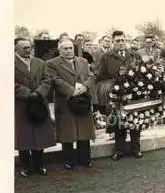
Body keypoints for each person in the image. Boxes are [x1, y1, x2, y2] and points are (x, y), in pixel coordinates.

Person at [46, 38, 96, 169]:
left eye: (70, 48)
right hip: (65, 101)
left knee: (84, 130)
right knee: (67, 132)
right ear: (59, 50)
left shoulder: (83, 61)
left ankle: (85, 159)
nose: (68, 51)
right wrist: (71, 90)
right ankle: (68, 160)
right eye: (65, 49)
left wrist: (84, 87)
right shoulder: (52, 63)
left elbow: (91, 76)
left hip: (82, 100)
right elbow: (54, 80)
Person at [14, 38, 56, 177]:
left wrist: (38, 92)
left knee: (39, 134)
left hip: (38, 102)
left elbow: (47, 80)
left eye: (29, 47)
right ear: (16, 48)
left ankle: (39, 165)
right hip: (21, 104)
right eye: (24, 47)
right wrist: (27, 93)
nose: (28, 49)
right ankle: (26, 167)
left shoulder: (39, 62)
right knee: (24, 136)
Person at [98, 31, 143, 160]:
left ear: (125, 41)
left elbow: (141, 72)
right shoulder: (106, 57)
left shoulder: (134, 55)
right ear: (113, 42)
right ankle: (119, 150)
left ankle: (136, 148)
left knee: (135, 121)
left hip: (134, 93)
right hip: (116, 93)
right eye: (117, 41)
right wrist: (114, 87)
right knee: (118, 122)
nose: (120, 43)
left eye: (122, 40)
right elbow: (101, 77)